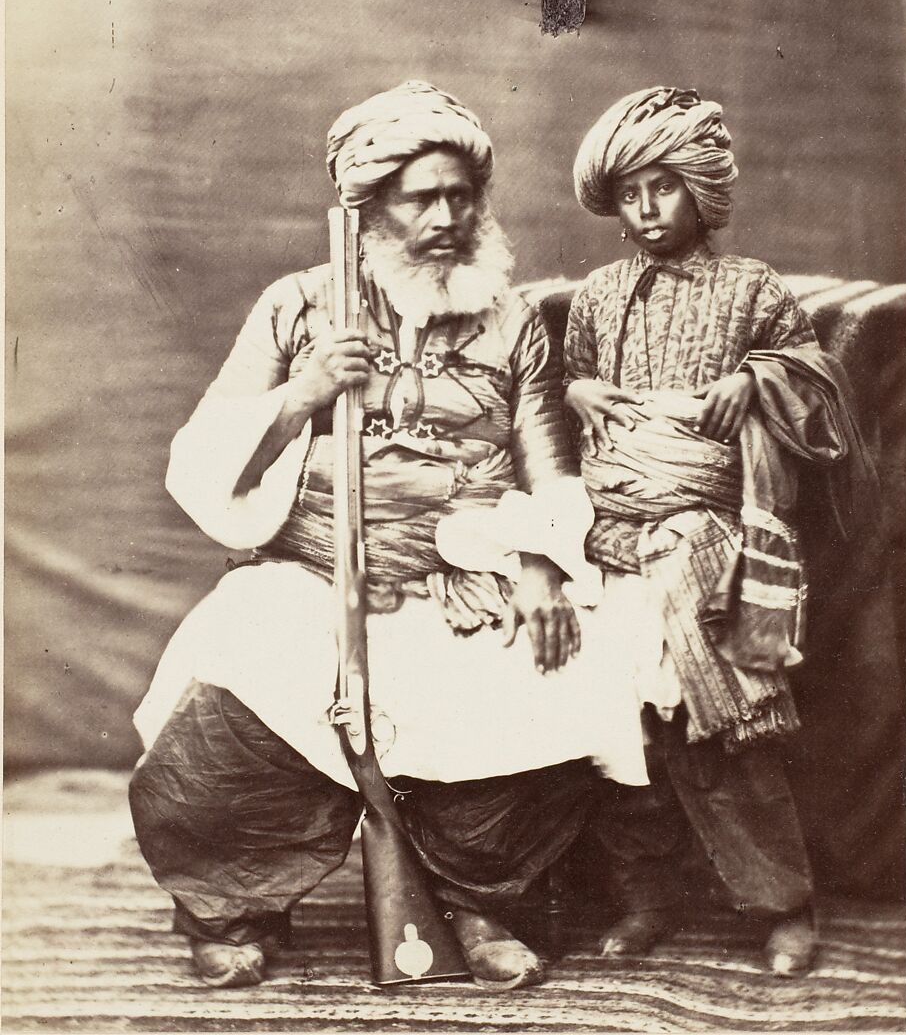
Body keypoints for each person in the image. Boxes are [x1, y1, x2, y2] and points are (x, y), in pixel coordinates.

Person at [129, 80, 651, 991]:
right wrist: (303, 395)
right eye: (423, 198)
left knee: (565, 667)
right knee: (232, 701)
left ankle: (480, 905)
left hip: (468, 578)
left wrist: (537, 562)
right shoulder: (296, 307)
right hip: (316, 576)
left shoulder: (513, 321)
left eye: (463, 195)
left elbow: (547, 467)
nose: (449, 216)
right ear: (370, 209)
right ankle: (232, 908)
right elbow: (202, 454)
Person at [563, 86, 876, 976]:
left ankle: (784, 905)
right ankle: (644, 898)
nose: (646, 208)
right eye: (629, 193)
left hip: (709, 540)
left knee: (727, 730)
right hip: (615, 540)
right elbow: (575, 395)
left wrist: (760, 374)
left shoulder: (752, 288)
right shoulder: (599, 294)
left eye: (663, 187)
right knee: (625, 735)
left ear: (701, 189)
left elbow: (819, 390)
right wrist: (580, 390)